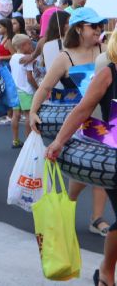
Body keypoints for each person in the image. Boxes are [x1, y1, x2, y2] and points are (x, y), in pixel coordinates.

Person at [44, 29, 117, 286]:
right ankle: (107, 271)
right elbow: (83, 108)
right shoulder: (109, 71)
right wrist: (59, 141)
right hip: (112, 155)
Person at [31, 7, 111, 239]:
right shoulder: (64, 58)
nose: (99, 30)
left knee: (104, 168)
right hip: (76, 123)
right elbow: (45, 87)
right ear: (78, 29)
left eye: (100, 25)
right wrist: (34, 111)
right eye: (93, 26)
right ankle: (67, 205)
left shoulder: (105, 51)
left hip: (103, 120)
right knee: (82, 171)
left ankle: (96, 218)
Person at [9, 34, 37, 147]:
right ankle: (28, 142)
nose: (31, 46)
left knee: (16, 115)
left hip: (15, 90)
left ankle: (15, 140)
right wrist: (38, 88)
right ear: (23, 45)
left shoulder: (13, 57)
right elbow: (30, 78)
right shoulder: (27, 59)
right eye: (29, 43)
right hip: (26, 90)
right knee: (28, 116)